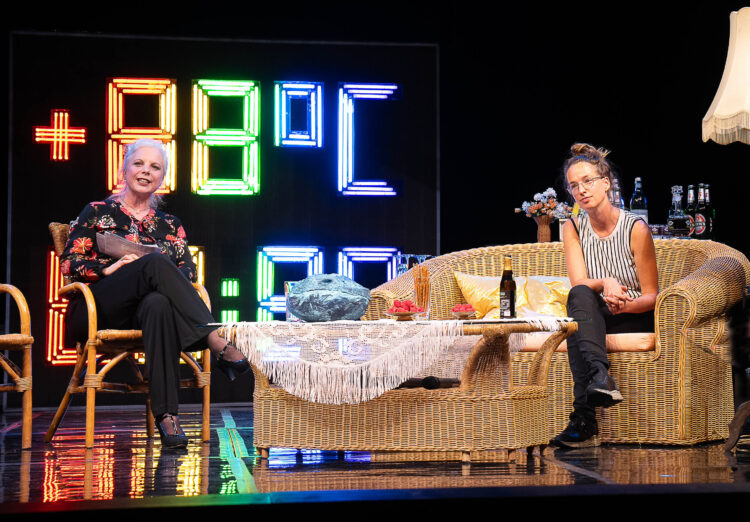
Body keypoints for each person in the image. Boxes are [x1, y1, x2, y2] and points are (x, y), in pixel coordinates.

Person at [62, 138, 249, 449]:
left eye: (155, 167)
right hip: (99, 307)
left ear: (162, 177)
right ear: (124, 169)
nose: (145, 171)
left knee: (159, 303)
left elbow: (189, 273)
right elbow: (70, 263)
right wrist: (111, 268)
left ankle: (167, 417)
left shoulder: (169, 224)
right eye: (138, 164)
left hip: (143, 312)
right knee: (155, 263)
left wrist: (152, 267)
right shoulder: (97, 212)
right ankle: (215, 339)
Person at [552, 143, 659, 448]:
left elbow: (652, 296)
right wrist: (608, 281)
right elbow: (580, 284)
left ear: (606, 183)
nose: (581, 190)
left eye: (587, 181)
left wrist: (622, 303)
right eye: (574, 185)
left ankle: (584, 419)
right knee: (581, 298)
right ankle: (600, 376)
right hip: (595, 313)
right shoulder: (572, 227)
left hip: (632, 312)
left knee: (577, 325)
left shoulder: (635, 228)